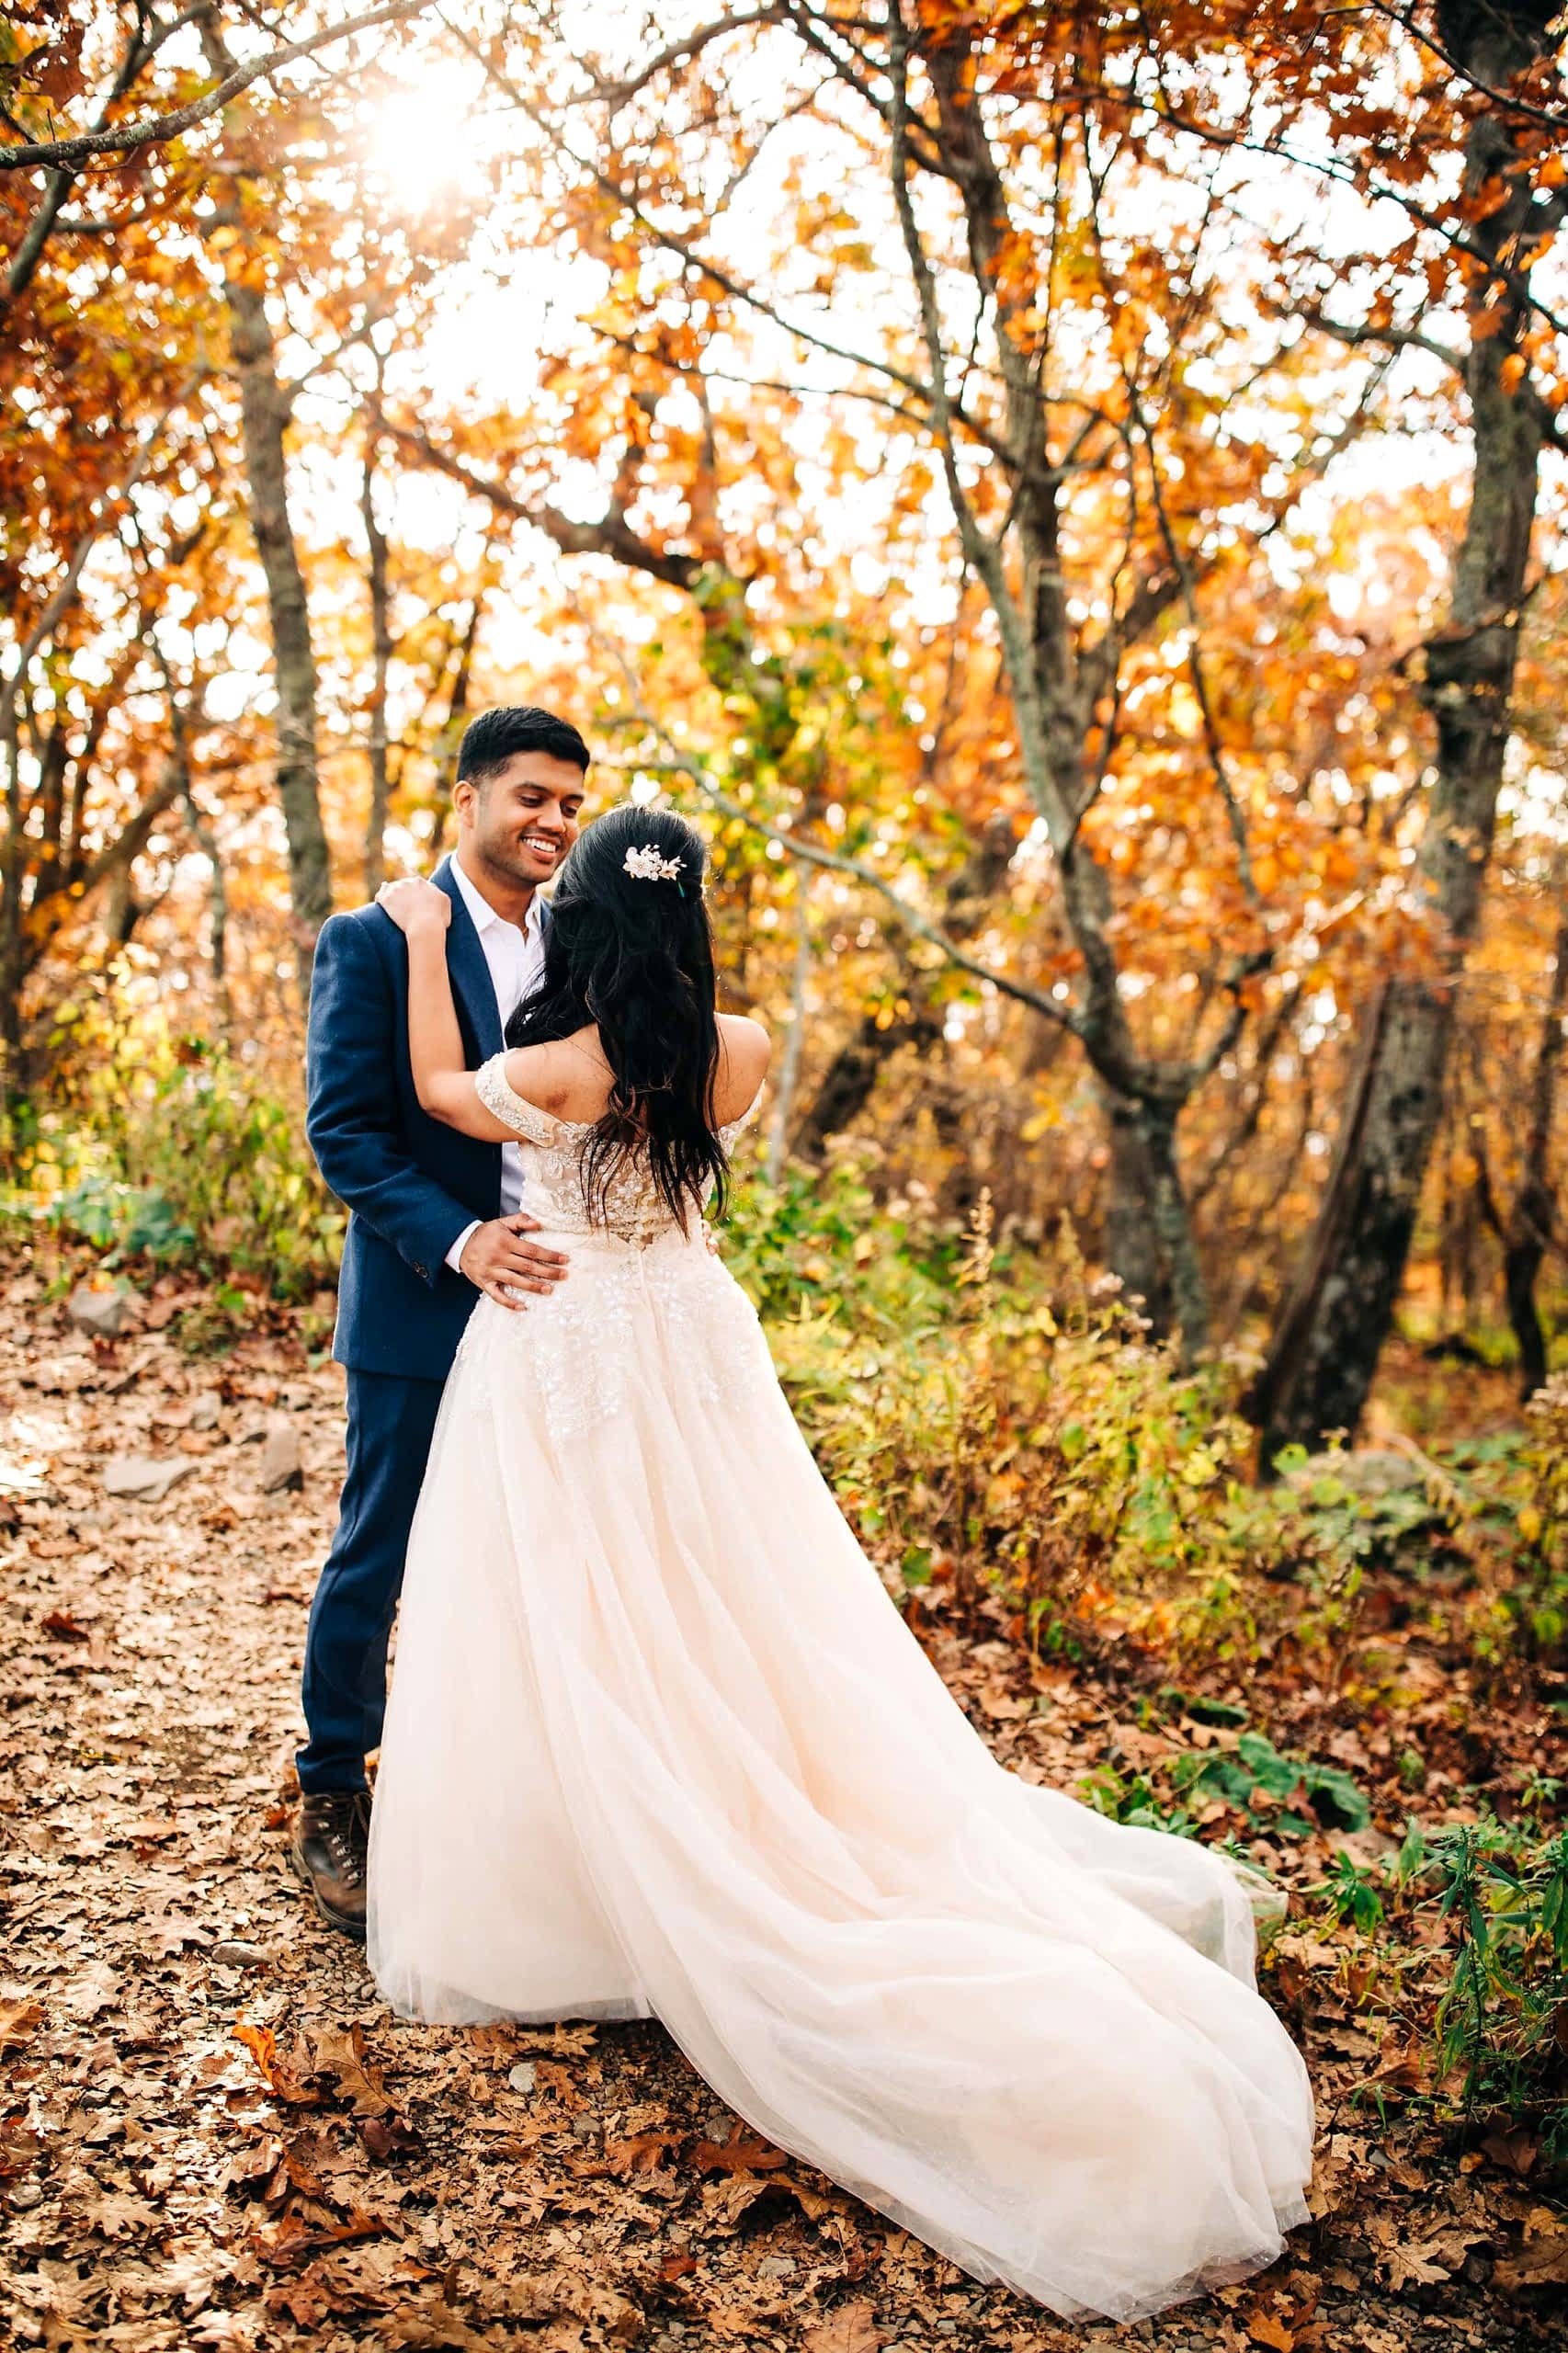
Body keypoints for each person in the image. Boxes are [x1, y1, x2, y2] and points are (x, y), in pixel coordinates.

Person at [365, 798, 1316, 2325]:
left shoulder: (551, 1067)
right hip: (691, 1341)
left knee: (578, 1619)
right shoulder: (733, 1050)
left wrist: (424, 941)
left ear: (589, 921)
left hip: (564, 1351)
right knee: (725, 1604)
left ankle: (598, 1894)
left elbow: (425, 1085)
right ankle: (698, 1824)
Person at [293, 705, 589, 1934]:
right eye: (530, 796)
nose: (553, 822)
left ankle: (502, 1799)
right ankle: (329, 1789)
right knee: (384, 1549)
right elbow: (345, 1131)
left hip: (567, 1312)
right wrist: (462, 1242)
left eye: (572, 803)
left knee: (546, 1561)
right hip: (428, 1300)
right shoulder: (372, 938)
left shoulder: (588, 942)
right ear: (465, 797)